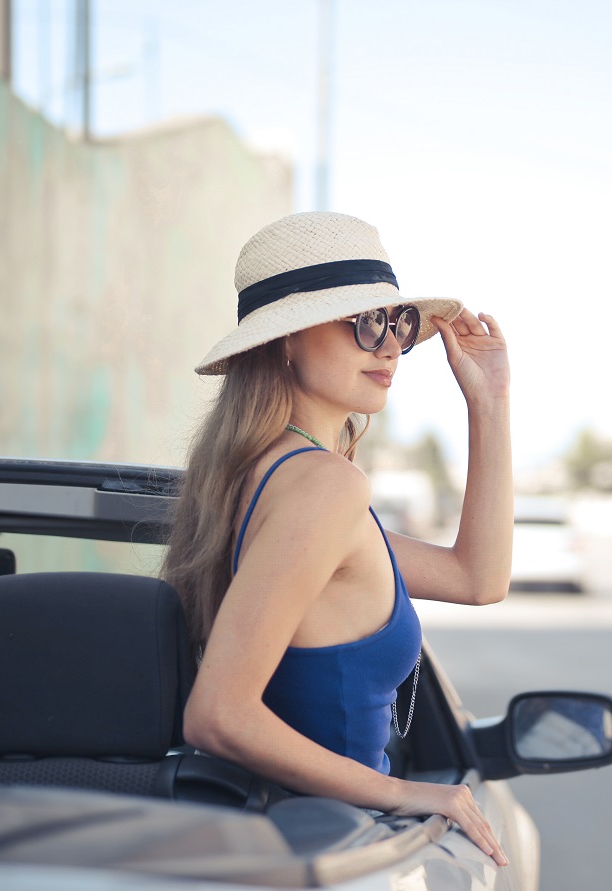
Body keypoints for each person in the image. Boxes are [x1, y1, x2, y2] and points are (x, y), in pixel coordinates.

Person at [162, 211, 512, 867]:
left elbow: (477, 578)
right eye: (366, 322)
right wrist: (405, 790)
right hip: (341, 849)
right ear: (287, 339)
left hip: (297, 843)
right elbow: (218, 713)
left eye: (399, 324)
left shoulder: (253, 479)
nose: (388, 347)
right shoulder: (325, 486)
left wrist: (488, 403)